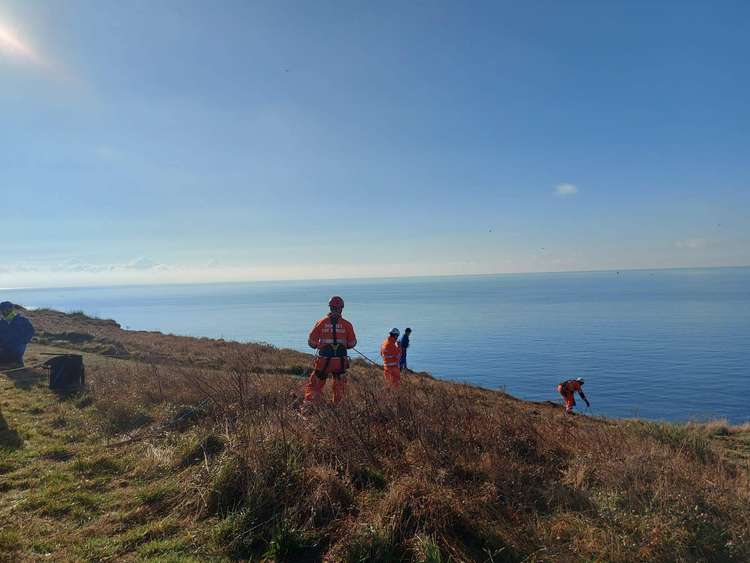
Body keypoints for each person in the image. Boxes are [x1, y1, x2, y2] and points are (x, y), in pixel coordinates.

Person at [303, 296, 357, 404]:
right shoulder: (347, 325)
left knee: (316, 384)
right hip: (340, 361)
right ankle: (337, 407)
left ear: (330, 308)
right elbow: (352, 343)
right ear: (342, 308)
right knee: (339, 386)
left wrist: (318, 345)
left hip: (324, 360)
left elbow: (311, 342)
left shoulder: (321, 322)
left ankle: (309, 406)